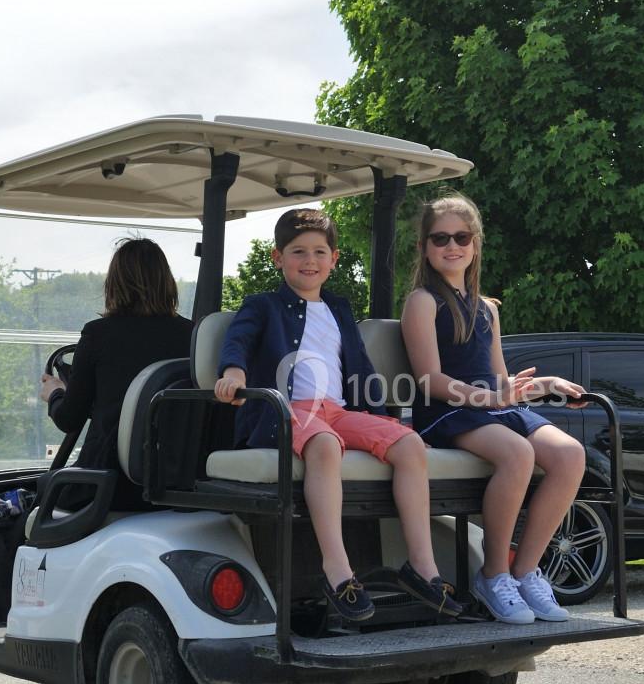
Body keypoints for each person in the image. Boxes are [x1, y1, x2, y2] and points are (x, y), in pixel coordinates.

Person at [213, 208, 463, 622]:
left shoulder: (339, 309)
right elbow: (237, 342)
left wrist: (380, 420)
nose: (309, 260)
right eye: (298, 252)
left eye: (319, 252)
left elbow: (360, 367)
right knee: (326, 445)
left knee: (409, 443)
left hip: (339, 411)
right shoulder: (263, 306)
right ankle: (338, 572)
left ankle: (422, 567)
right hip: (285, 410)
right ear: (278, 258)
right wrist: (233, 373)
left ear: (334, 259)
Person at [400, 192, 587, 624]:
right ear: (425, 247)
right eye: (441, 238)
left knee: (570, 455)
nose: (452, 245)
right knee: (518, 453)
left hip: (491, 406)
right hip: (448, 410)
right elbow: (430, 379)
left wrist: (542, 386)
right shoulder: (422, 301)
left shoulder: (487, 308)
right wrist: (490, 398)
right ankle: (494, 573)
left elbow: (502, 380)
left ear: (476, 243)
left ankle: (525, 573)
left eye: (462, 237)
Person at [38, 237, 192, 512]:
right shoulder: (192, 335)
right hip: (175, 483)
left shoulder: (98, 334)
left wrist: (56, 393)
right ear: (166, 281)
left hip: (108, 486)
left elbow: (69, 419)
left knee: (40, 490)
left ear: (115, 283)